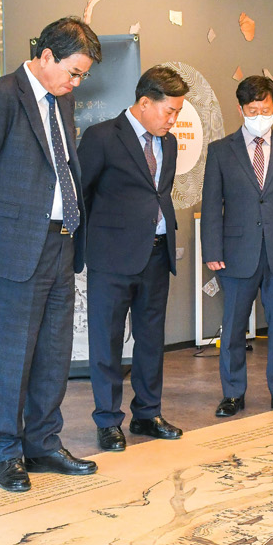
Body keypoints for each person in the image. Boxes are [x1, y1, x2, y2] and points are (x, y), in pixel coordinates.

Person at [0, 17, 99, 492]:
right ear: (47, 56)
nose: (76, 83)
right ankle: (7, 451)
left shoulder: (62, 101)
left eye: (82, 77)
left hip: (62, 241)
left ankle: (43, 443)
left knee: (55, 352)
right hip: (16, 247)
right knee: (15, 355)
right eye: (73, 72)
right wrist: (2, 225)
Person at [78, 65, 187, 452]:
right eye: (169, 111)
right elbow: (81, 195)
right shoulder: (102, 137)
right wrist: (88, 247)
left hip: (156, 255)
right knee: (106, 342)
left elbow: (158, 194)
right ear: (144, 103)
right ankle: (108, 421)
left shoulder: (168, 144)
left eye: (178, 113)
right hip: (111, 259)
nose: (173, 120)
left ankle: (147, 413)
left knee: (151, 341)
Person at [200, 75, 273, 419]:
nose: (259, 116)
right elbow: (211, 205)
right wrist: (211, 250)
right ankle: (232, 394)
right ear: (240, 110)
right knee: (233, 326)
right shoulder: (221, 151)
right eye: (252, 110)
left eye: (265, 109)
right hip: (236, 254)